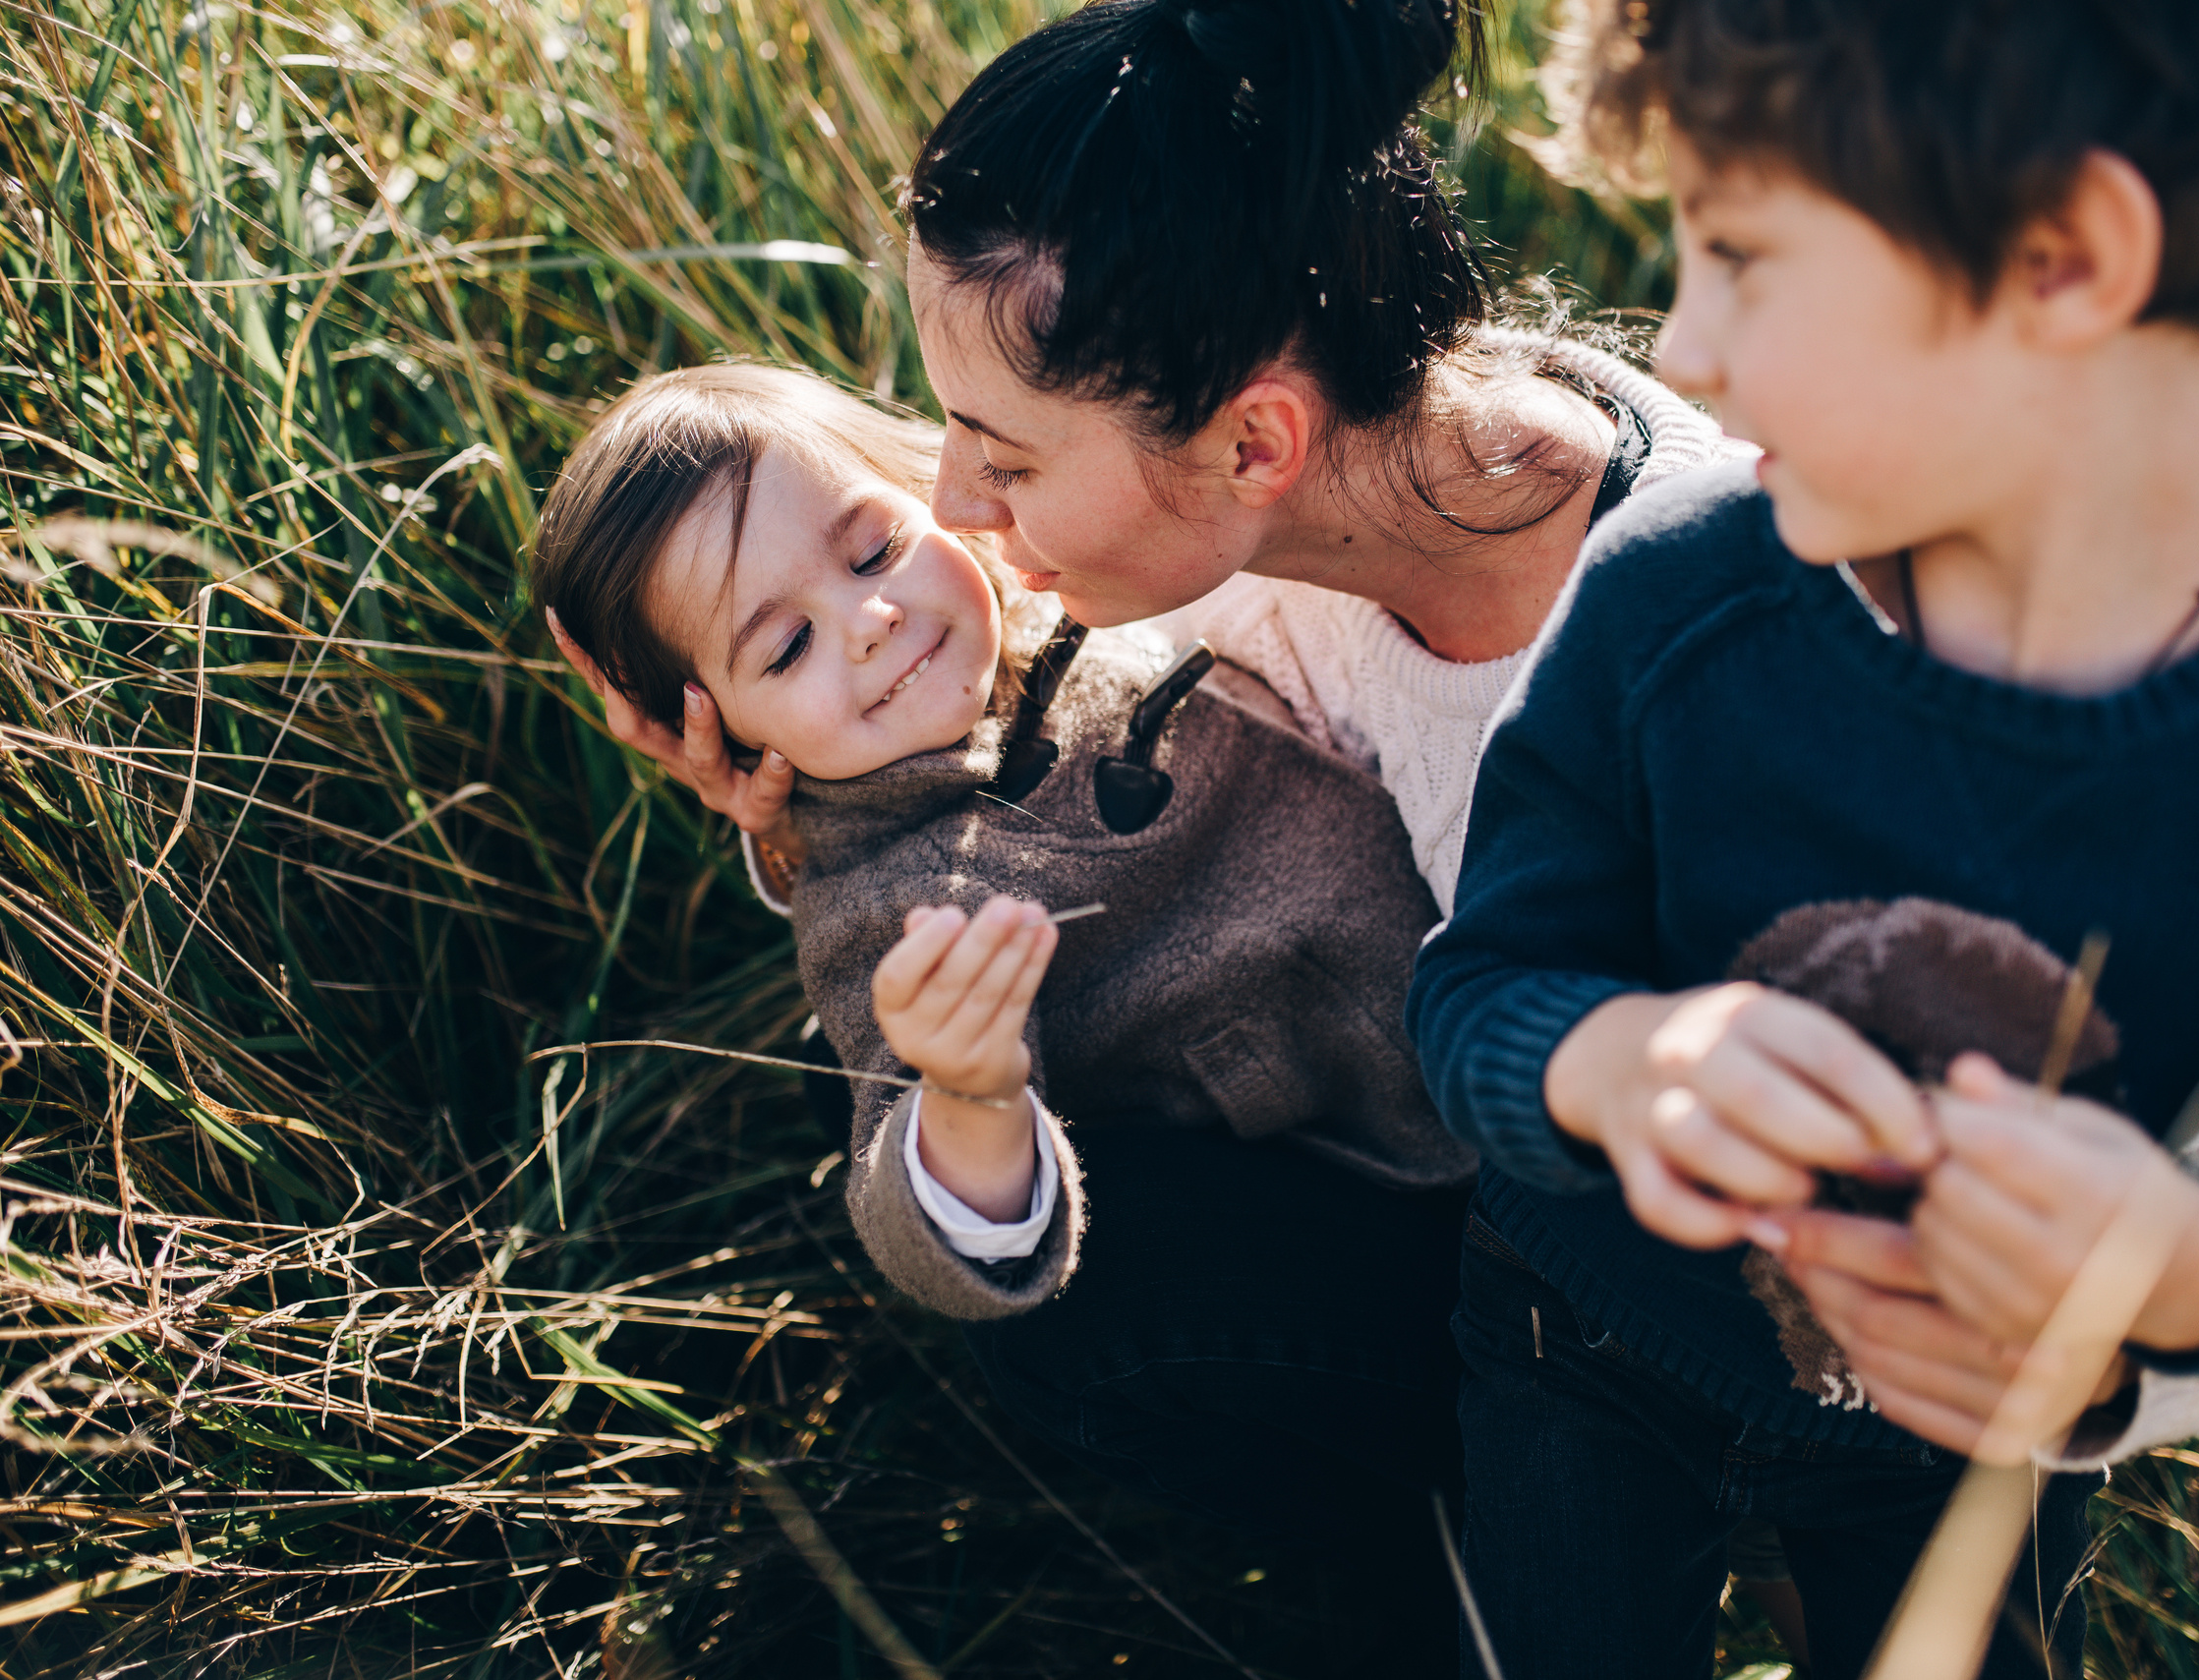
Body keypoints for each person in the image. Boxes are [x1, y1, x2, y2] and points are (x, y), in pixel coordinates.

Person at [543, 0, 1786, 1652]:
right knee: (1085, 1298)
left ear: (1249, 442)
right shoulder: (1260, 520)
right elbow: (981, 641)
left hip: (1692, 1263)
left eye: (989, 458)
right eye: (948, 449)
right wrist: (816, 811)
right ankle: (1448, 1533)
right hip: (1457, 1189)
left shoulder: (1688, 674)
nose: (957, 511)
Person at [1407, 1, 2199, 1676]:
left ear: (2066, 253)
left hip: (1977, 1441)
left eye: (1743, 257)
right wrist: (1618, 1061)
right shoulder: (1679, 590)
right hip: (1579, 1345)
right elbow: (1480, 982)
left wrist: (2179, 1270)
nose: (1682, 350)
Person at [532, 359, 1474, 1323]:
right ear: (724, 729)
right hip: (1421, 1138)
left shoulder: (1045, 589)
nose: (870, 619)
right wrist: (969, 1096)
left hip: (1492, 895)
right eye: (785, 647)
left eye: (873, 550)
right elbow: (908, 1201)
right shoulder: (900, 906)